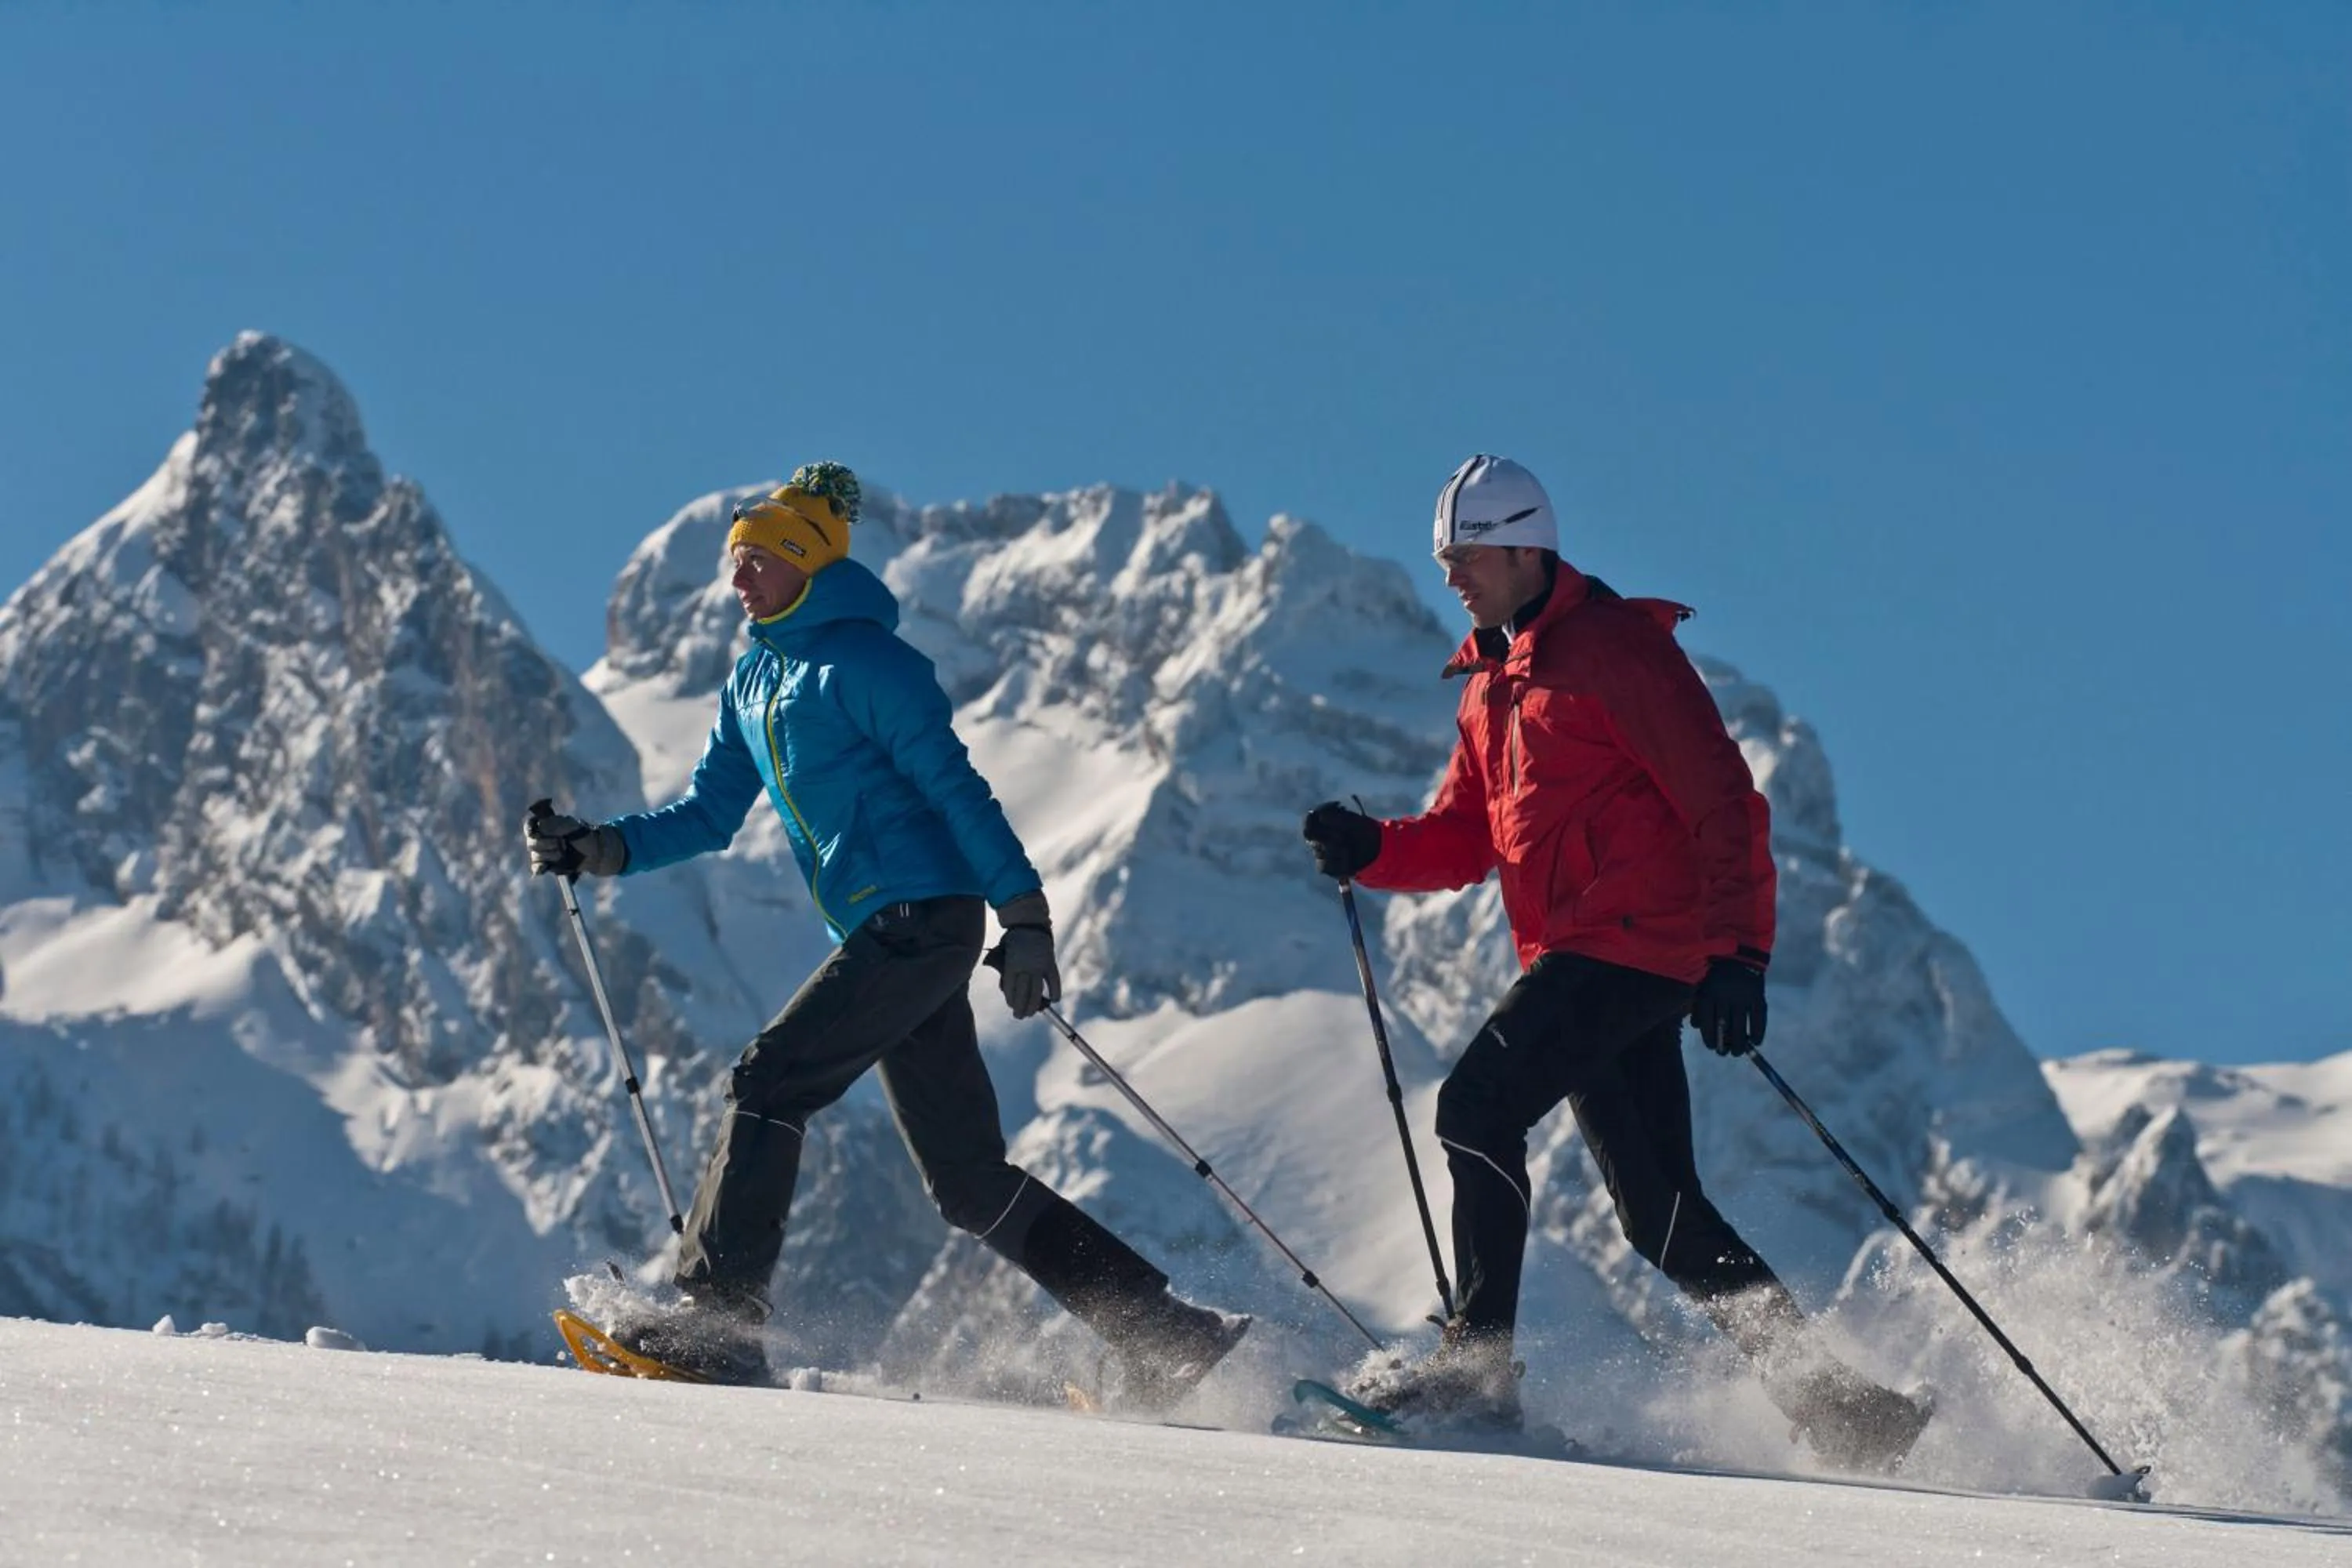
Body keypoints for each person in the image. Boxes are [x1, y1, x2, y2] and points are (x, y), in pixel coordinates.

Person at [527, 461, 1247, 1402]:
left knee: (770, 1079)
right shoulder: (754, 680)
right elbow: (709, 812)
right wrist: (604, 847)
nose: (738, 575)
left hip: (922, 918)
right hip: (888, 928)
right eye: (734, 559)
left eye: (758, 557)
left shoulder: (867, 665)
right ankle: (1168, 1333)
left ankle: (719, 1320)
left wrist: (1025, 914)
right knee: (966, 1181)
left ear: (806, 560)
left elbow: (956, 788)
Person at [1300, 454, 1928, 1469]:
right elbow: (1468, 836)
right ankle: (1845, 1408)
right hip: (1581, 952)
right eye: (1443, 558)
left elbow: (1723, 800)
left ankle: (1477, 1369)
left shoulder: (1616, 652)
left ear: (1523, 549)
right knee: (1660, 1213)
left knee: (1477, 1106)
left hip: (1631, 945)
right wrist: (1373, 850)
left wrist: (1740, 954)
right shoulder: (1490, 686)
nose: (1449, 576)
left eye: (1465, 556)